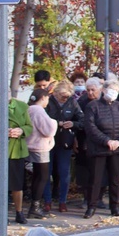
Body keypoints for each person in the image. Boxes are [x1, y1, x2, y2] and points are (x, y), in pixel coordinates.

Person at [83, 78, 119, 218]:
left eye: (116, 90)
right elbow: (90, 127)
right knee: (95, 179)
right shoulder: (93, 106)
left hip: (117, 148)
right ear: (103, 90)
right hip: (99, 148)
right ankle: (91, 206)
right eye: (111, 89)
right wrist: (106, 141)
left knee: (115, 179)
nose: (113, 92)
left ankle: (115, 207)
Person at [43, 81, 83, 213]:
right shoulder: (48, 101)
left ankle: (62, 201)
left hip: (65, 141)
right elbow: (41, 119)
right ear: (55, 93)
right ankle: (47, 200)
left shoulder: (72, 102)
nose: (64, 99)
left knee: (64, 172)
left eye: (67, 96)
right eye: (62, 96)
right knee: (46, 172)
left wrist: (73, 124)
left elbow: (82, 120)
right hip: (48, 141)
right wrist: (57, 123)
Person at [26, 88, 57, 219]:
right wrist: (55, 122)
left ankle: (34, 205)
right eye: (47, 99)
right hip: (39, 146)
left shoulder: (28, 109)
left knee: (36, 177)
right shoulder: (39, 111)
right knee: (42, 177)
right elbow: (48, 130)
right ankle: (35, 206)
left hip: (29, 145)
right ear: (43, 98)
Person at [75, 77, 104, 209]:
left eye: (93, 90)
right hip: (84, 140)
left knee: (102, 171)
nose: (91, 92)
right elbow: (78, 120)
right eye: (88, 90)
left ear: (100, 90)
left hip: (102, 141)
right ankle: (87, 198)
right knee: (86, 172)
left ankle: (99, 198)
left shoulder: (105, 102)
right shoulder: (81, 102)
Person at [8, 90, 32, 224]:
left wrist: (21, 130)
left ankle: (19, 211)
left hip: (17, 149)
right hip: (1, 149)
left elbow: (29, 126)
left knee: (17, 184)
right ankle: (0, 213)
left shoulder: (22, 106)